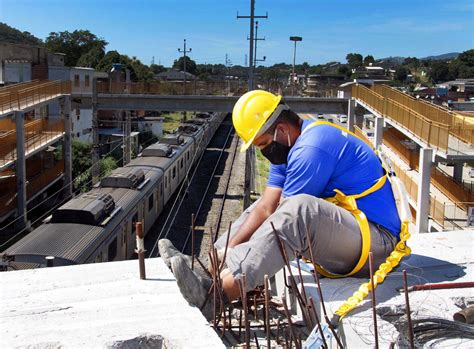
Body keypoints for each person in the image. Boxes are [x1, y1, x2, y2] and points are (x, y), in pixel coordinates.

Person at [159, 90, 401, 319]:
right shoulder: (287, 146)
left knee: (299, 211)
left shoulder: (311, 148)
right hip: (347, 239)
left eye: (262, 144)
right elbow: (266, 207)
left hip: (376, 244)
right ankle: (206, 270)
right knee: (256, 209)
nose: (264, 151)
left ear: (281, 130)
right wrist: (225, 252)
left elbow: (285, 217)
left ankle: (216, 297)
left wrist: (237, 254)